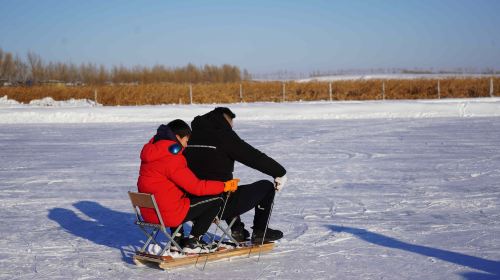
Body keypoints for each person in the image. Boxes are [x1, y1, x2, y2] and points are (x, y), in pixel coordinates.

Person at [184, 107, 288, 243]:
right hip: (216, 203)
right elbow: (252, 156)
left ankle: (237, 230)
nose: (231, 128)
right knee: (266, 187)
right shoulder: (222, 134)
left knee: (229, 187)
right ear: (225, 119)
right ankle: (260, 231)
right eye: (230, 125)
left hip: (190, 202)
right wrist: (279, 172)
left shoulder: (191, 136)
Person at [137, 119, 239, 253]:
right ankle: (194, 242)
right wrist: (224, 186)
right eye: (186, 140)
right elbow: (196, 187)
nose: (186, 145)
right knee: (216, 199)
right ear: (178, 137)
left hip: (149, 214)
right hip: (167, 215)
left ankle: (177, 240)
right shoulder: (172, 158)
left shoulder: (151, 155)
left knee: (176, 195)